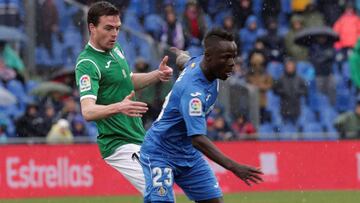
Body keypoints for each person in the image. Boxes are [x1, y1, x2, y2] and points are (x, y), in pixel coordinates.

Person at [140, 28, 263, 203]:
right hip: (161, 152)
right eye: (226, 57)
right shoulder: (193, 93)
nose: (232, 63)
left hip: (188, 154)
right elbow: (197, 139)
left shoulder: (200, 63)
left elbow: (186, 61)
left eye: (233, 56)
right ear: (209, 56)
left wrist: (181, 55)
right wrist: (234, 167)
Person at [74, 1, 173, 194]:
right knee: (160, 191)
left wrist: (156, 75)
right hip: (118, 143)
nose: (114, 34)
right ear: (92, 28)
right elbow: (88, 111)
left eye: (117, 28)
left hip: (137, 137)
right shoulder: (87, 63)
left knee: (163, 191)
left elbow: (126, 81)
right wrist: (119, 107)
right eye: (108, 28)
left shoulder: (116, 49)